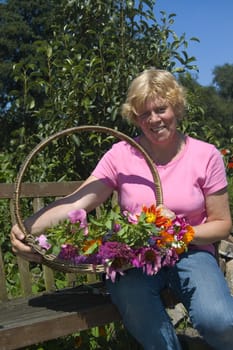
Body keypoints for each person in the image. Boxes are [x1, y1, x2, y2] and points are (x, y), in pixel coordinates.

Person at [10, 68, 233, 350]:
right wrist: (25, 227)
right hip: (135, 260)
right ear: (135, 117)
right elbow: (77, 202)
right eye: (143, 113)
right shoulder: (121, 154)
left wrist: (178, 232)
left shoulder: (205, 155)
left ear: (176, 106)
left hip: (191, 253)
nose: (153, 119)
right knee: (132, 297)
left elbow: (222, 224)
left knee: (220, 322)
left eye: (160, 109)